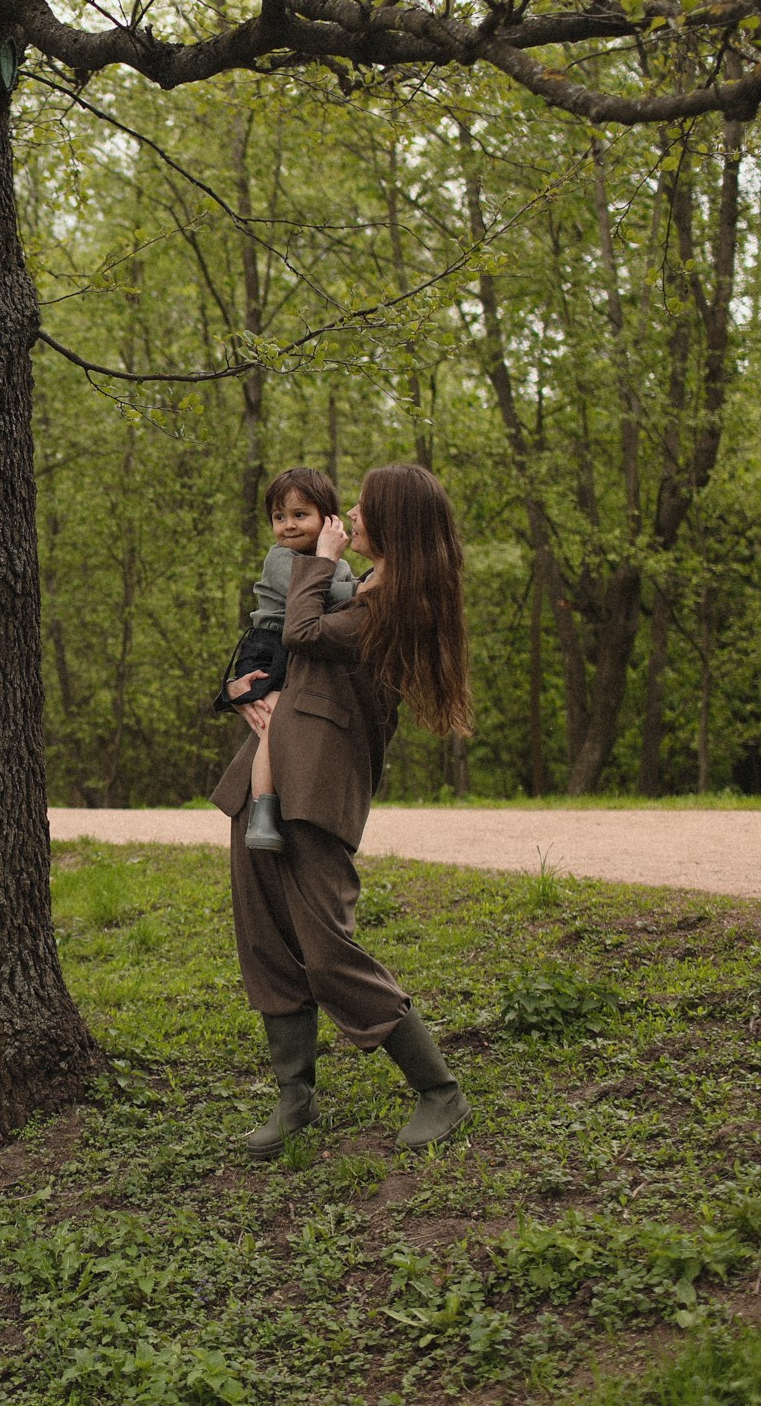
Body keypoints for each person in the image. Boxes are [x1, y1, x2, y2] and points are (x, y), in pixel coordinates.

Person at [210, 462, 475, 1157]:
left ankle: (439, 1089)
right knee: (265, 940)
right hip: (266, 778)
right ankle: (294, 1098)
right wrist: (240, 690)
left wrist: (320, 560)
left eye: (364, 505)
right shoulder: (359, 591)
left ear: (396, 522)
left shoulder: (397, 607)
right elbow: (282, 650)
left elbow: (302, 633)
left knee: (327, 949)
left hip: (320, 787)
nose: (349, 513)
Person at [220, 467, 356, 855]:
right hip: (268, 647)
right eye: (279, 517)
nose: (288, 526)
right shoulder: (279, 558)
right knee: (273, 719)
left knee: (290, 723)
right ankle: (263, 811)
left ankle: (294, 803)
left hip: (297, 647)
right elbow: (322, 594)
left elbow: (335, 597)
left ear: (328, 520)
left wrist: (349, 580)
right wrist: (365, 588)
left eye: (300, 515)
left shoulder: (338, 564)